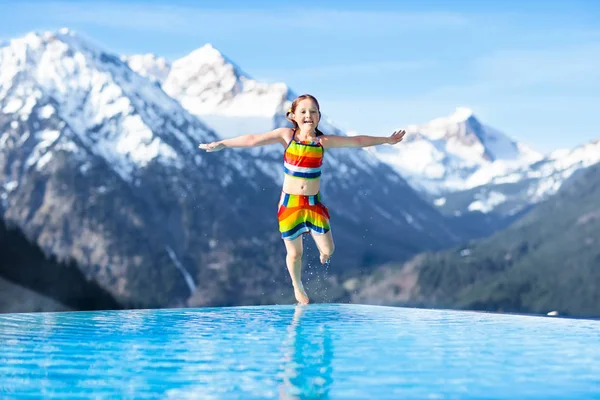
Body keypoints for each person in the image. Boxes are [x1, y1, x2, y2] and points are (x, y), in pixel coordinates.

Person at [198, 94, 405, 304]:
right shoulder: (286, 136)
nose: (309, 115)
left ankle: (324, 253)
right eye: (303, 111)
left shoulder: (323, 142)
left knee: (328, 250)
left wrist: (386, 140)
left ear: (319, 117)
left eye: (313, 111)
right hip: (290, 204)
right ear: (293, 116)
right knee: (295, 253)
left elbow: (357, 141)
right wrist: (223, 143)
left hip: (313, 203)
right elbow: (252, 139)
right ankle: (297, 286)